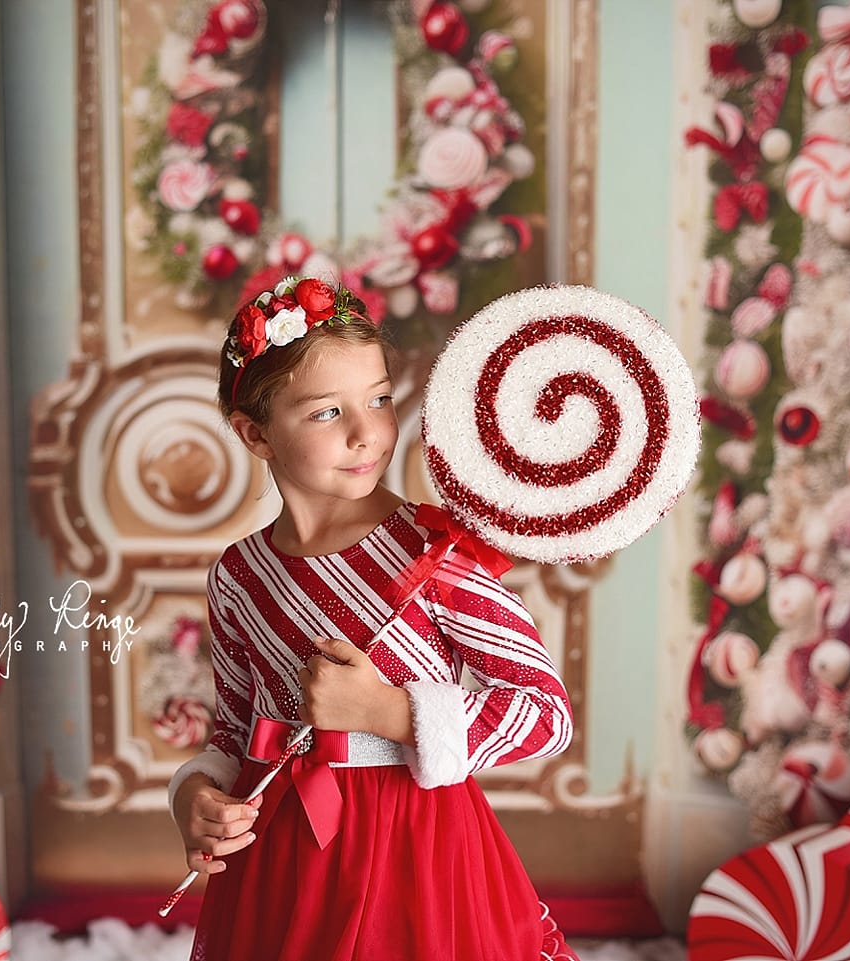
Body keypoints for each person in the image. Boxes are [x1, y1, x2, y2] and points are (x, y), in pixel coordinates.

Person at [169, 277, 579, 961]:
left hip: (416, 857)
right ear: (256, 433)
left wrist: (387, 710)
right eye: (328, 413)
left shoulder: (435, 552)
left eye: (381, 399)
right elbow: (237, 729)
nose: (369, 432)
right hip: (286, 861)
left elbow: (544, 713)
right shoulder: (239, 576)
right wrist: (197, 795)